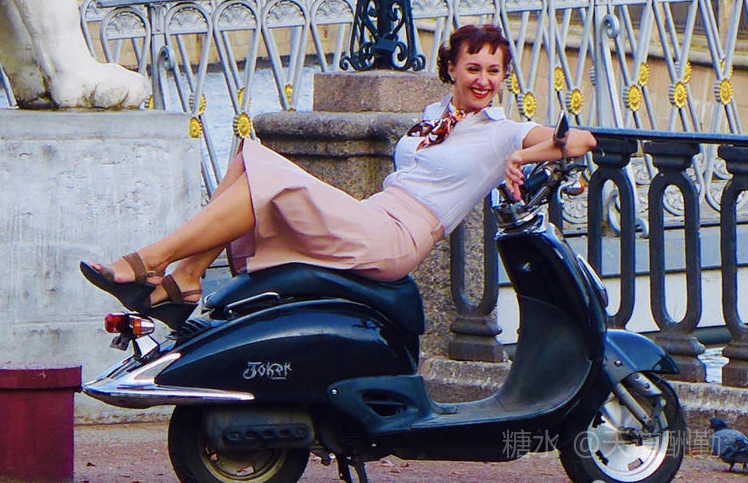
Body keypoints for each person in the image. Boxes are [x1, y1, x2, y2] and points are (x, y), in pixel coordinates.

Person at [80, 24, 597, 329]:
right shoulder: (435, 115)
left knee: (266, 174)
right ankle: (186, 278)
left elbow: (581, 140)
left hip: (398, 237)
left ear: (504, 77)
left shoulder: (502, 131)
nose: (483, 81)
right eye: (473, 69)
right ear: (453, 70)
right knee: (248, 156)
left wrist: (521, 156)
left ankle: (152, 261)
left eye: (494, 72)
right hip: (374, 215)